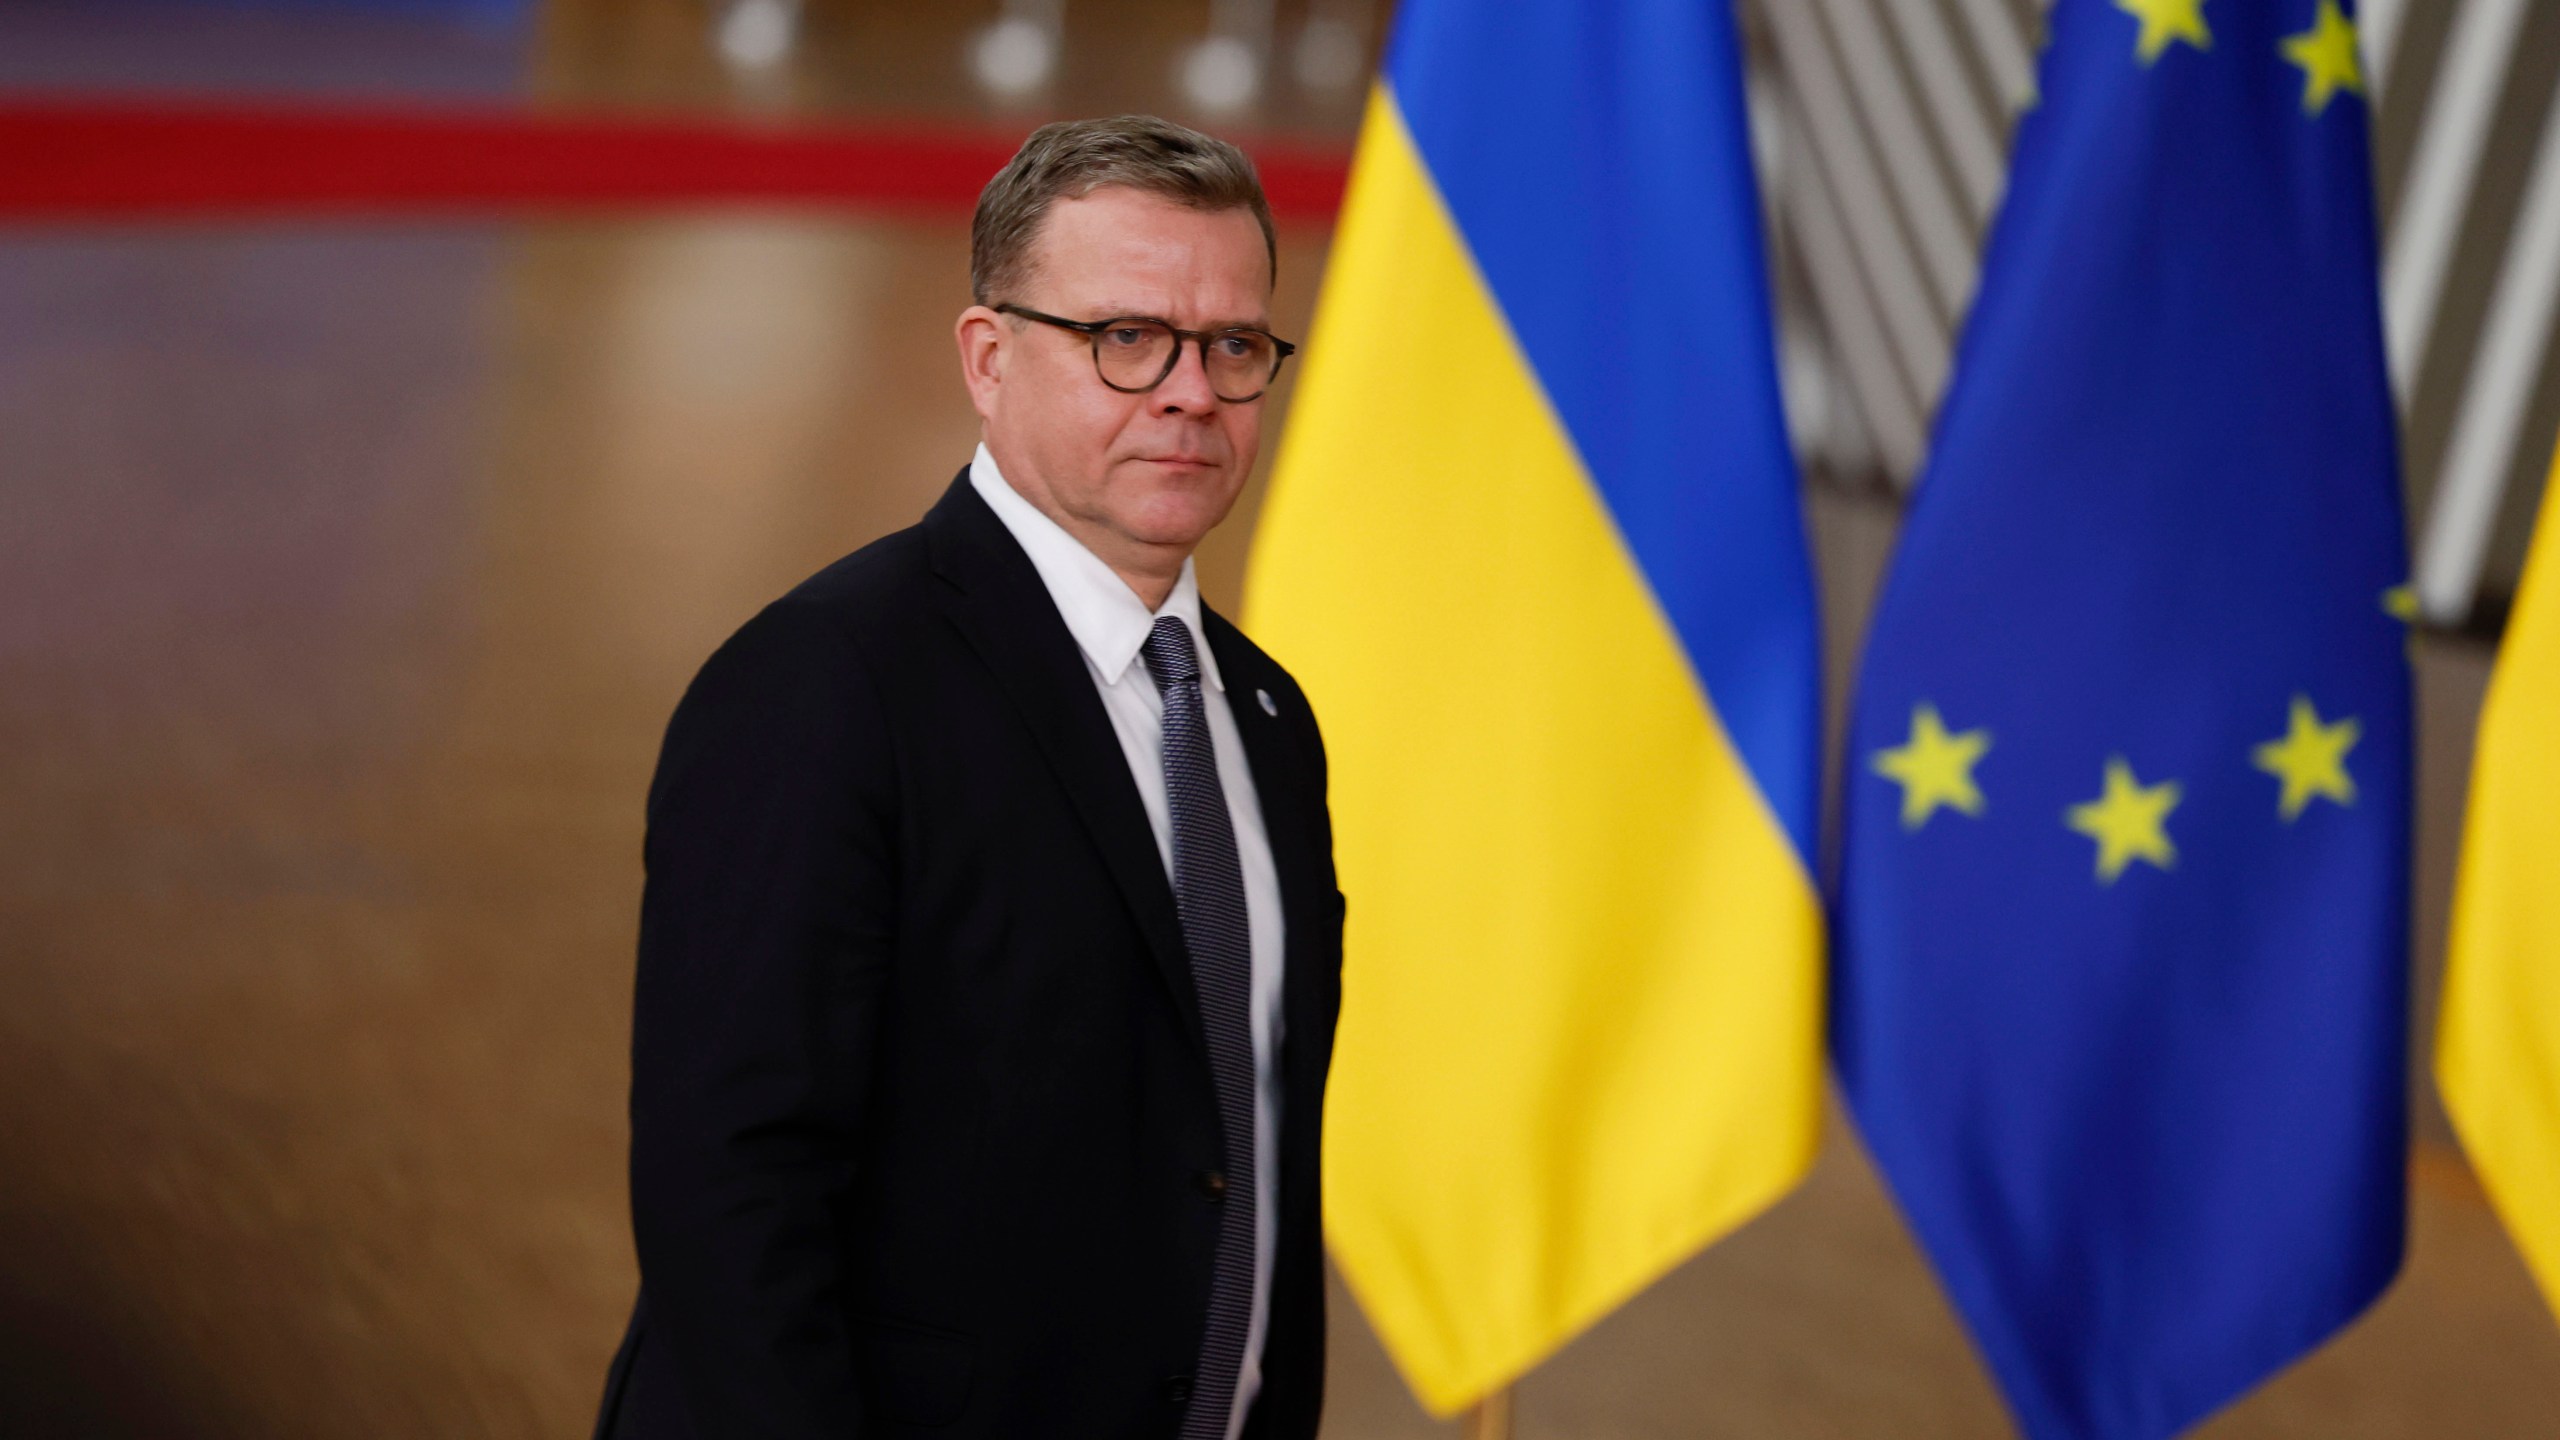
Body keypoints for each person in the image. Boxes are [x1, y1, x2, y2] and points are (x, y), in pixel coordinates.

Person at [590, 115, 1342, 1440]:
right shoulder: (823, 687)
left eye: (1234, 346)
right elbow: (733, 1208)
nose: (1190, 392)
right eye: (1125, 337)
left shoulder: (1268, 719)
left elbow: (1245, 1169)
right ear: (988, 359)